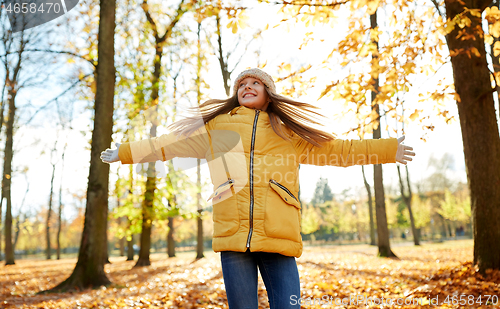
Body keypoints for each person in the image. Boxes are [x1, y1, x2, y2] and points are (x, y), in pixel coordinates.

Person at [101, 68, 415, 309]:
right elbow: (170, 145)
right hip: (234, 239)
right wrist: (125, 152)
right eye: (241, 84)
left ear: (268, 94)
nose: (247, 87)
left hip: (278, 237)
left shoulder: (287, 132)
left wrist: (387, 150)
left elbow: (338, 150)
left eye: (255, 84)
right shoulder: (218, 128)